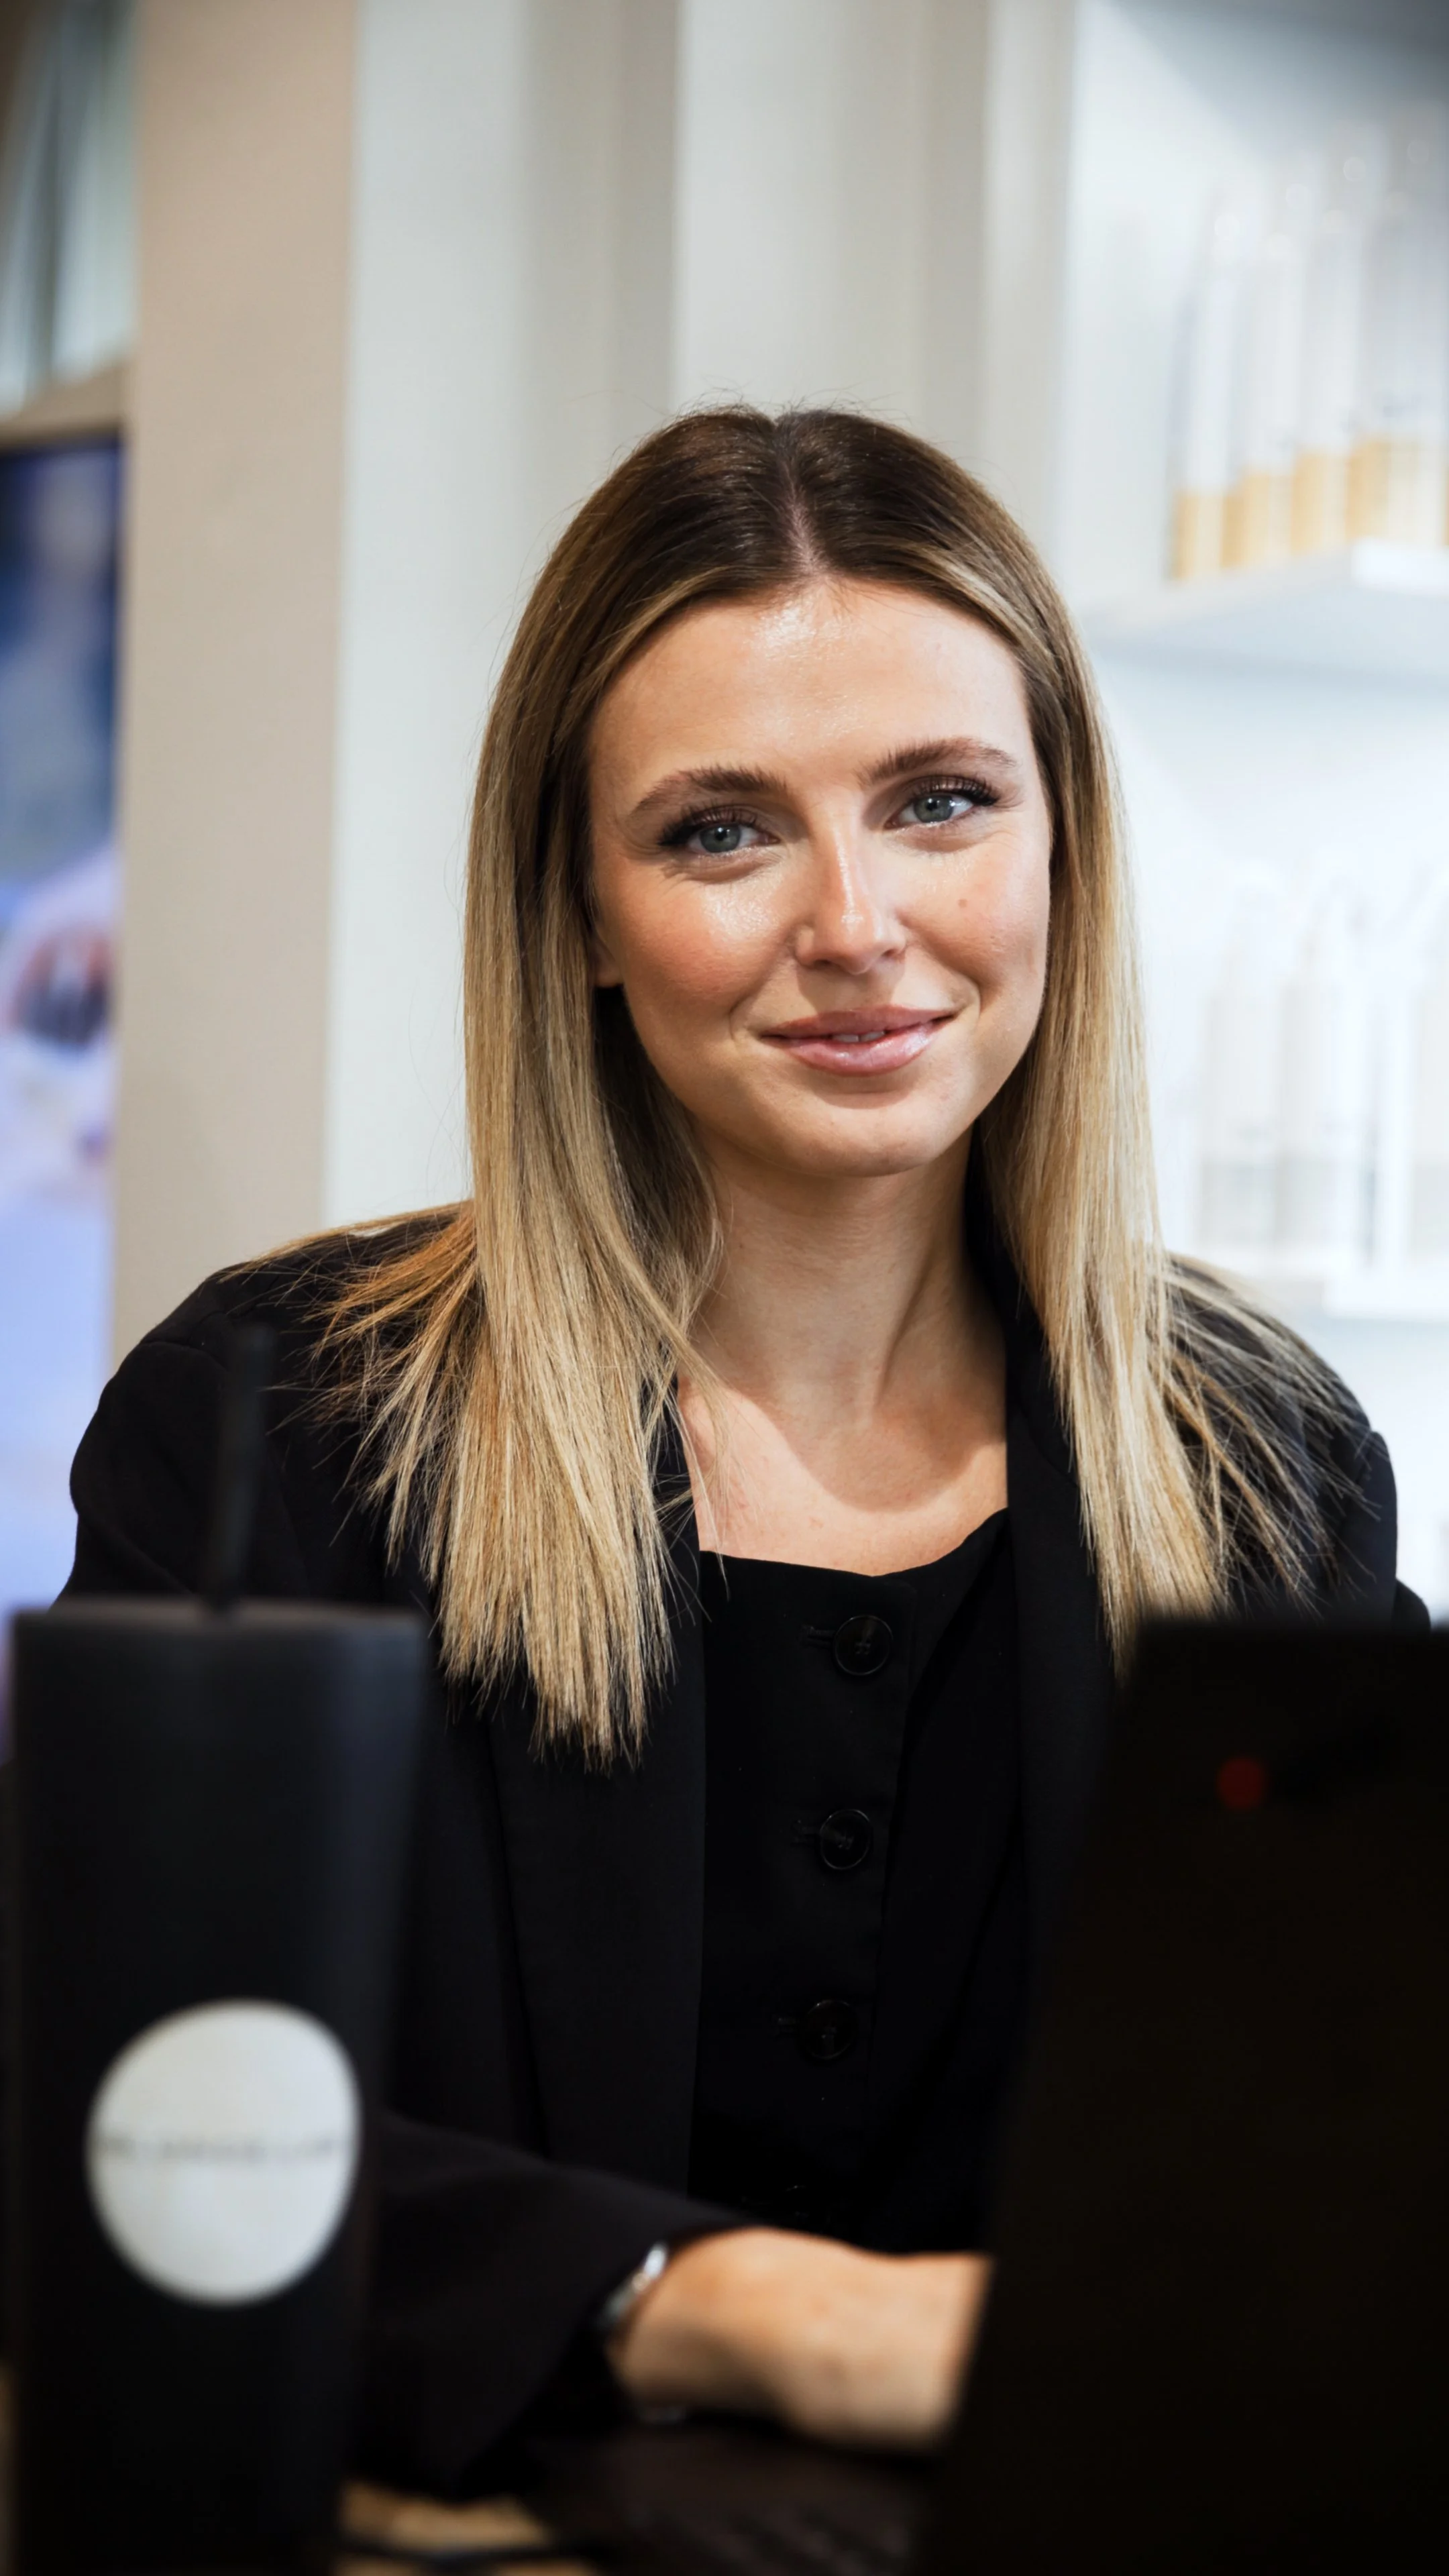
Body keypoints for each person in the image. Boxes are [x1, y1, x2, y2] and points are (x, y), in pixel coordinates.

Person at [64, 408, 1423, 2494]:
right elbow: (80, 2100)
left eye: (943, 802)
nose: (858, 921)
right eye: (721, 830)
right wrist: (740, 2307)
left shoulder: (1256, 1456)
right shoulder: (285, 1425)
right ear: (582, 917)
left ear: (1063, 850)